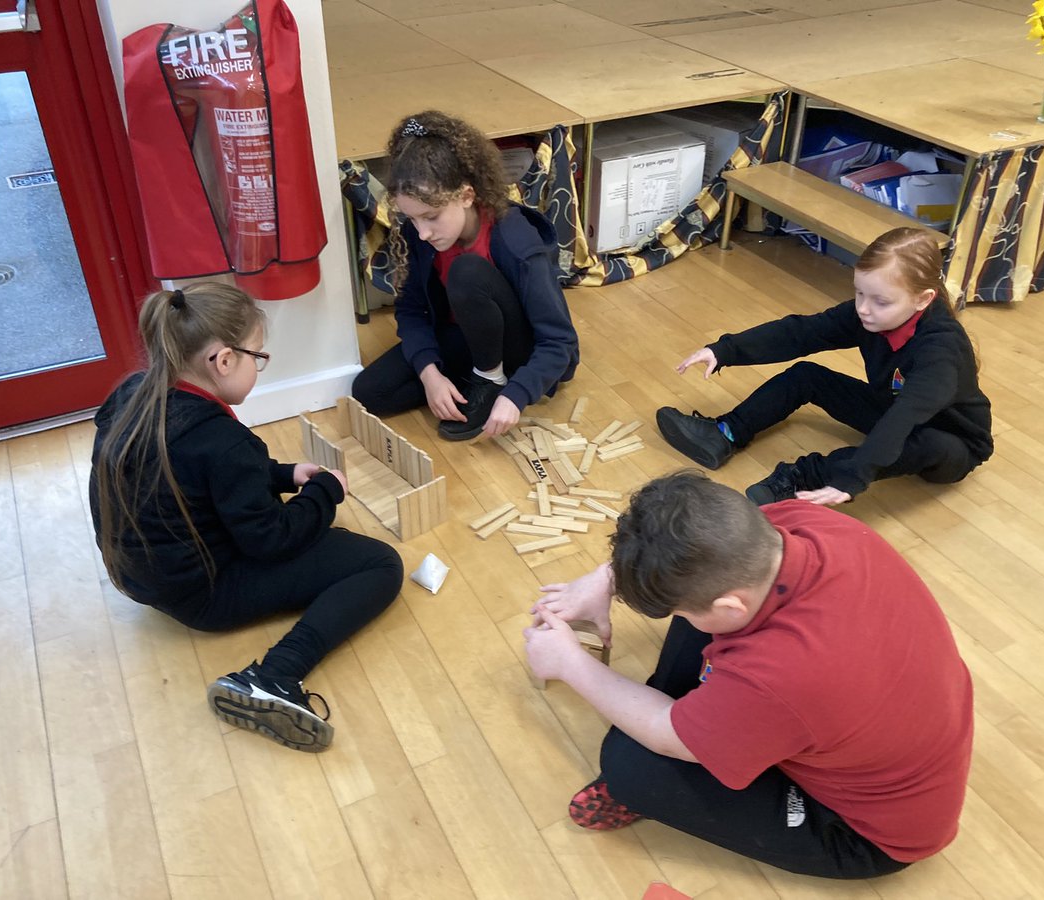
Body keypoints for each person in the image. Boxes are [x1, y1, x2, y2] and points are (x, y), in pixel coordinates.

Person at [524, 471, 973, 880]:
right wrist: (606, 579)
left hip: (864, 833)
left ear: (732, 606)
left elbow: (664, 735)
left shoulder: (782, 677)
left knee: (631, 765)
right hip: (857, 718)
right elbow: (701, 551)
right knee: (693, 606)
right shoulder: (805, 524)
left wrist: (570, 663)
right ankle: (717, 721)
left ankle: (707, 734)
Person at [90, 283, 403, 752]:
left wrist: (282, 475)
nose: (258, 365)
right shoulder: (223, 442)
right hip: (204, 593)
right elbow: (270, 540)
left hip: (142, 575)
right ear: (222, 360)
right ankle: (274, 676)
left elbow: (195, 479)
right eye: (257, 356)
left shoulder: (135, 394)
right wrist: (323, 492)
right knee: (379, 564)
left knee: (326, 543)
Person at [656, 227, 992, 506]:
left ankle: (803, 479)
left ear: (923, 299)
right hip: (892, 410)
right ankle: (724, 433)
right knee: (808, 375)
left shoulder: (941, 351)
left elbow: (905, 417)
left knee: (927, 441)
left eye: (880, 301)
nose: (863, 308)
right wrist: (726, 350)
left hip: (952, 446)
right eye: (859, 293)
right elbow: (802, 333)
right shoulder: (871, 315)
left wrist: (852, 477)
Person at [351, 110, 580, 441]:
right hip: (469, 337)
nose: (423, 232)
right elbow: (411, 309)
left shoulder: (516, 241)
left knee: (466, 271)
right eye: (414, 220)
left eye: (431, 217)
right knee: (369, 392)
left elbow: (559, 340)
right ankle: (473, 378)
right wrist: (430, 375)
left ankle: (493, 379)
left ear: (467, 195)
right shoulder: (423, 233)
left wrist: (517, 396)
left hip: (519, 347)